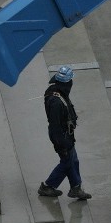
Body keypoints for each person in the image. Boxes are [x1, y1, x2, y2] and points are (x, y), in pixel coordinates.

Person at [38, 66, 92, 200]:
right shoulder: (56, 102)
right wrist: (61, 145)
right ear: (66, 83)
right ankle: (48, 186)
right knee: (67, 162)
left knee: (72, 160)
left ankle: (76, 187)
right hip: (61, 136)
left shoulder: (56, 93)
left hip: (65, 135)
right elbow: (56, 126)